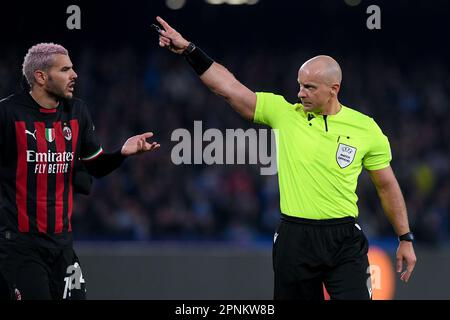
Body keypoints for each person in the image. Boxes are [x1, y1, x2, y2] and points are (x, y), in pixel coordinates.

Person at [153, 16, 417, 300]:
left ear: (334, 89)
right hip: (295, 237)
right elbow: (228, 88)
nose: (300, 93)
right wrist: (190, 50)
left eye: (309, 88)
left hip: (344, 239)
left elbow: (386, 185)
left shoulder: (365, 127)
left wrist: (405, 238)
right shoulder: (285, 114)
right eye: (299, 85)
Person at [0, 43, 160, 300]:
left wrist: (122, 153)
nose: (74, 75)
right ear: (41, 77)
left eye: (73, 68)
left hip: (62, 245)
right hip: (20, 246)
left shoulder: (77, 112)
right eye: (65, 69)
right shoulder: (7, 114)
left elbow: (95, 167)